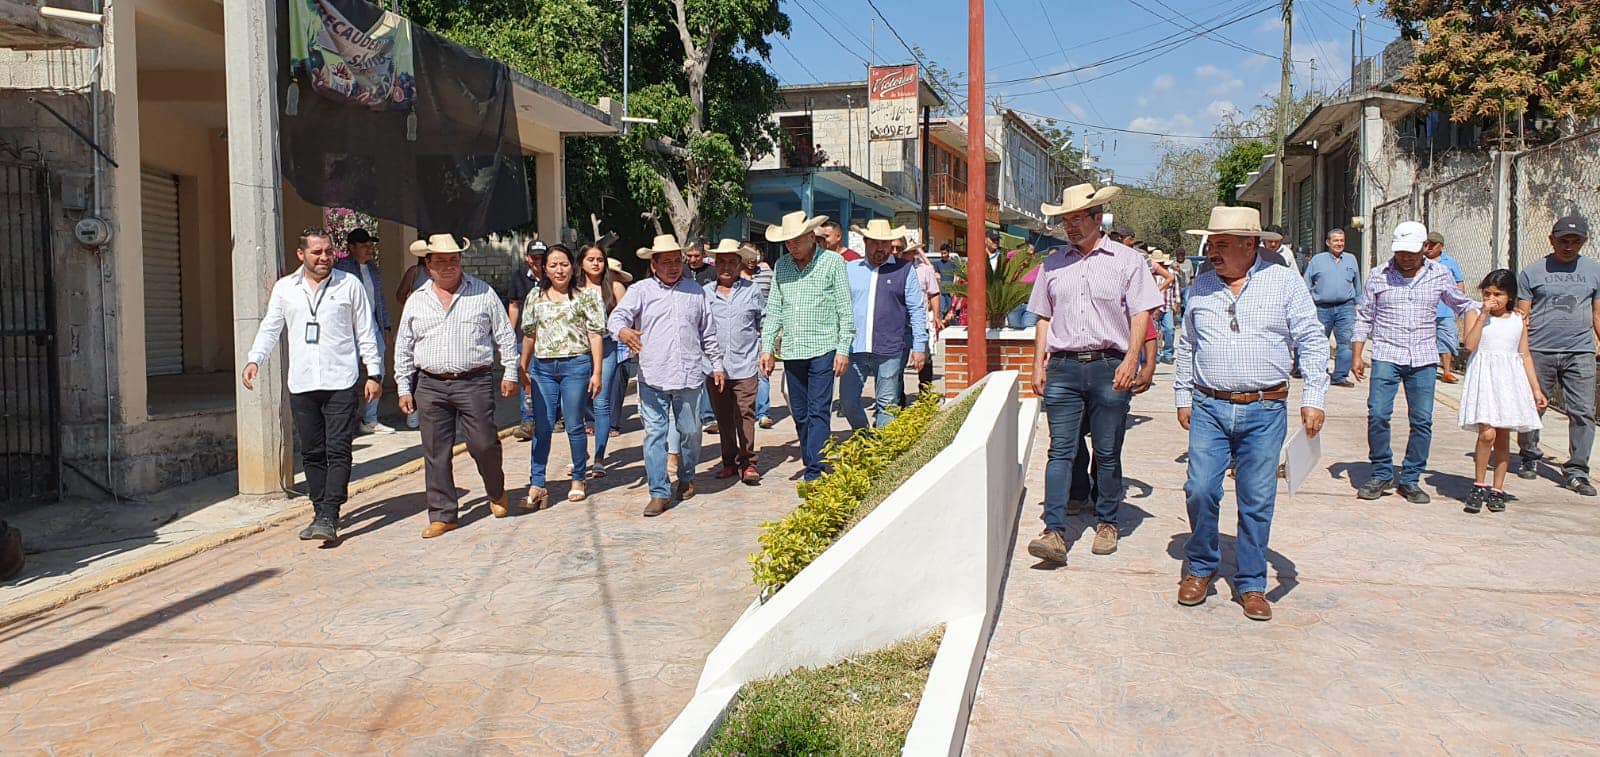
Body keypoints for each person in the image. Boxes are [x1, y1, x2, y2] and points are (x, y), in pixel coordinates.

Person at [1173, 207, 1328, 622]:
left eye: (1222, 244)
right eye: (1212, 244)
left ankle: (1251, 582)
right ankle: (1201, 566)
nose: (1213, 252)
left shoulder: (1284, 283)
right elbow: (1187, 344)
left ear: (1250, 245)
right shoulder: (1202, 286)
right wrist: (1182, 395)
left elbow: (1312, 340)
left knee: (1256, 499)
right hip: (1209, 405)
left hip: (1265, 408)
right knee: (1200, 489)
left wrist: (1314, 396)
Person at [1023, 183, 1162, 565]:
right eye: (1065, 220)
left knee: (1107, 451)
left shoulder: (1127, 261)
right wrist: (1038, 364)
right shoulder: (1053, 264)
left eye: (1076, 219)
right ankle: (1054, 531)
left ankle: (1107, 521)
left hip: (1108, 366)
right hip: (1064, 368)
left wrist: (1132, 360)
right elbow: (1044, 317)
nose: (1069, 226)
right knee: (1060, 451)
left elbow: (1141, 313)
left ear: (1097, 218)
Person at [243, 228, 383, 542]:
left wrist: (374, 373)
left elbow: (366, 331)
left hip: (341, 380)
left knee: (338, 449)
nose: (324, 258)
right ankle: (320, 510)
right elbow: (271, 327)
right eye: (317, 252)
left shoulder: (350, 285)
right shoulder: (285, 289)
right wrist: (254, 359)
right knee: (312, 452)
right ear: (301, 254)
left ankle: (330, 513)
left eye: (328, 252)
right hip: (303, 382)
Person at [393, 234, 520, 539]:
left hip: (473, 382)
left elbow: (504, 334)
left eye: (453, 260)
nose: (448, 266)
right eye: (441, 261)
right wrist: (402, 386)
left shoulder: (483, 292)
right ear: (428, 264)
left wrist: (511, 371)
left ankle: (496, 490)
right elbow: (403, 346)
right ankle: (443, 514)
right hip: (430, 385)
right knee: (436, 451)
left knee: (484, 443)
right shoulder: (416, 300)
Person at [1352, 221, 1480, 504]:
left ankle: (1410, 478)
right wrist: (1357, 354)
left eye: (1412, 252)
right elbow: (1363, 316)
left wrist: (1494, 315)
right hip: (1387, 354)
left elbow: (1463, 304)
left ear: (1425, 248)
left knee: (1422, 420)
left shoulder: (1440, 274)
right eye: (1401, 252)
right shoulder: (1378, 275)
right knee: (1378, 414)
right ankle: (1382, 472)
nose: (1406, 258)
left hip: (1423, 356)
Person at [609, 234, 725, 516]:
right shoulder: (640, 290)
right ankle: (659, 492)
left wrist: (717, 365)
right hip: (653, 375)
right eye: (667, 262)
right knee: (654, 435)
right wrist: (623, 331)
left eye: (677, 261)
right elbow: (616, 317)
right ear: (653, 264)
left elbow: (708, 332)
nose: (674, 266)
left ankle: (685, 476)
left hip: (689, 377)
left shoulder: (696, 292)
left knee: (690, 432)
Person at [760, 211, 855, 481]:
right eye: (787, 242)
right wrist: (767, 347)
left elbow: (844, 309)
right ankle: (813, 455)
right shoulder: (782, 266)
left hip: (824, 348)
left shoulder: (833, 263)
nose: (792, 246)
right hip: (792, 351)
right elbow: (775, 309)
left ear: (811, 237)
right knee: (800, 413)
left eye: (796, 241)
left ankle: (814, 469)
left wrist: (843, 349)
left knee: (818, 411)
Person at [1515, 215, 1599, 495]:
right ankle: (1528, 455)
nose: (1569, 246)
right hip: (1540, 350)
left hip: (1581, 351)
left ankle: (1577, 470)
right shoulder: (1532, 273)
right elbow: (1523, 315)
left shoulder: (1594, 271)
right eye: (1564, 240)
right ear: (1552, 240)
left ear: (1584, 242)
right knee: (1533, 406)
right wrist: (1519, 348)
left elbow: (1598, 313)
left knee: (1583, 412)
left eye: (1576, 241)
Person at [518, 245, 605, 507]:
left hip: (575, 366)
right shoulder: (535, 296)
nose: (559, 270)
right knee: (541, 426)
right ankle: (537, 483)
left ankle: (579, 478)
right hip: (543, 368)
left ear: (573, 266)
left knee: (574, 423)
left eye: (564, 264)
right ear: (544, 268)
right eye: (553, 265)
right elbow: (529, 335)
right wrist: (522, 368)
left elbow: (595, 334)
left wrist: (597, 371)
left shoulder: (586, 296)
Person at [1458, 269, 1547, 514]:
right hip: (1484, 377)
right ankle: (1478, 483)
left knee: (1502, 436)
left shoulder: (1518, 320)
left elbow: (1524, 354)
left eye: (1498, 294)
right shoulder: (1475, 313)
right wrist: (1483, 313)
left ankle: (1497, 488)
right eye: (1487, 293)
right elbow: (1470, 344)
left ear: (1510, 296)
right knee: (1486, 433)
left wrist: (1535, 389)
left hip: (1508, 379)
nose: (1492, 298)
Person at [841, 219, 928, 430]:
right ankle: (864, 438)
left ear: (891, 244)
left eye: (885, 243)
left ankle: (882, 452)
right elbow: (838, 307)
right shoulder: (850, 270)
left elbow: (917, 309)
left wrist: (919, 346)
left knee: (887, 405)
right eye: (874, 242)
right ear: (865, 241)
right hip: (854, 348)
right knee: (848, 401)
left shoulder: (905, 270)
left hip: (889, 349)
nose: (880, 247)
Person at [704, 239, 765, 484]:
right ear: (715, 264)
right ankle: (728, 461)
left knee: (745, 413)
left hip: (745, 365)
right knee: (723, 417)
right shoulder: (705, 293)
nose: (726, 267)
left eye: (732, 261)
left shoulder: (753, 290)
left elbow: (765, 319)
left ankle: (748, 462)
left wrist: (765, 350)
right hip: (713, 367)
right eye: (722, 262)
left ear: (740, 263)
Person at [334, 228, 394, 434]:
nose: (369, 250)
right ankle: (346, 419)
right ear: (351, 248)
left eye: (371, 246)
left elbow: (380, 299)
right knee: (348, 373)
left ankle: (370, 418)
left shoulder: (373, 269)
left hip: (373, 327)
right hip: (348, 329)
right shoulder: (341, 270)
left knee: (378, 371)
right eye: (365, 246)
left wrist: (385, 325)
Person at [577, 244, 629, 476]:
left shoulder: (614, 287)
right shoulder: (573, 289)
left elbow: (629, 317)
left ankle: (599, 456)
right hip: (578, 349)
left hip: (607, 347)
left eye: (600, 259)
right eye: (591, 259)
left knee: (601, 401)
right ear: (581, 263)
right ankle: (579, 452)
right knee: (574, 401)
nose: (596, 263)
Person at [1303, 228, 1362, 387]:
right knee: (1319, 342)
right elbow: (1306, 284)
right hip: (1322, 308)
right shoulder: (1317, 260)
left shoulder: (1351, 259)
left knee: (1346, 343)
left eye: (1342, 240)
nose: (1339, 244)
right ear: (1328, 242)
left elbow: (1357, 283)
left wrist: (1359, 303)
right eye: (1335, 240)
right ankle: (1317, 373)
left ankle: (1340, 376)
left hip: (1346, 308)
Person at [508, 240, 548, 441]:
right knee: (526, 377)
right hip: (526, 336)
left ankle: (555, 417)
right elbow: (514, 305)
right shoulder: (519, 277)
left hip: (551, 337)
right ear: (527, 257)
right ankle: (528, 420)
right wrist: (509, 332)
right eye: (534, 257)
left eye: (541, 257)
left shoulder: (553, 275)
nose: (538, 262)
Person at [1423, 232, 1467, 383]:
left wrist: (1459, 302)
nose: (1428, 248)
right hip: (1424, 309)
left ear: (1440, 246)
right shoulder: (1419, 261)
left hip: (1445, 309)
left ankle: (1447, 371)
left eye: (1432, 245)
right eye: (1426, 244)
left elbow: (1459, 281)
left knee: (1446, 340)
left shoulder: (1450, 262)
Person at [903, 241, 942, 402]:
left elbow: (934, 293)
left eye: (907, 252)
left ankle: (925, 394)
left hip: (920, 321)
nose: (904, 254)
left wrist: (937, 317)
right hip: (899, 323)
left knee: (924, 359)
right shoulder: (893, 269)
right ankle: (898, 399)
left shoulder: (924, 270)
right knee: (897, 362)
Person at [743, 248, 777, 429]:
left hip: (761, 333)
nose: (752, 260)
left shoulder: (768, 275)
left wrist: (768, 339)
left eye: (755, 255)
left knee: (762, 374)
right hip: (739, 336)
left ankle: (763, 413)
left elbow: (775, 300)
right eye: (747, 256)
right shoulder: (732, 281)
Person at [1149, 248, 1179, 363]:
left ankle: (1168, 354)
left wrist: (1177, 303)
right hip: (1154, 307)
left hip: (1167, 306)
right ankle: (1155, 355)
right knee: (1154, 333)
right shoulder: (1149, 274)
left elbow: (1176, 289)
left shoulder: (1172, 274)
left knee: (1169, 330)